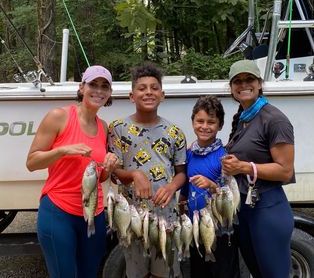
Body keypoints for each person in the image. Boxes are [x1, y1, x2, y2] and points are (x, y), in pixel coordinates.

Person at [26, 65, 119, 278]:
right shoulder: (59, 116)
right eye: (93, 84)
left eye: (104, 86)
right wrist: (63, 150)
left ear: (110, 93)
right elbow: (31, 162)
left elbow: (100, 177)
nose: (99, 90)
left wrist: (107, 167)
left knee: (89, 274)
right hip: (58, 211)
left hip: (92, 214)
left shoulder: (103, 126)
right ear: (81, 87)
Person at [107, 62, 187, 278]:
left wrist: (171, 187)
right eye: (142, 88)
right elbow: (115, 173)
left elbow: (182, 172)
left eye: (154, 88)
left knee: (166, 271)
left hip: (167, 217)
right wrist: (134, 174)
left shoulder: (174, 132)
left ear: (163, 95)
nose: (149, 92)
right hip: (131, 217)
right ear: (132, 96)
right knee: (136, 272)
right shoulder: (117, 128)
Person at [221, 59, 295, 278]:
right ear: (231, 88)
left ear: (260, 83)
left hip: (268, 209)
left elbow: (285, 170)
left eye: (249, 79)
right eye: (237, 81)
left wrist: (243, 167)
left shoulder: (274, 119)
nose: (244, 84)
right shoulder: (242, 118)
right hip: (246, 209)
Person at [179, 95, 240, 278]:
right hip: (196, 225)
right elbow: (185, 186)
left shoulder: (224, 156)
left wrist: (212, 185)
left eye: (211, 122)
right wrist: (182, 205)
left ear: (220, 126)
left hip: (220, 227)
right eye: (200, 121)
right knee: (198, 272)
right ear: (192, 122)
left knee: (223, 272)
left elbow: (231, 193)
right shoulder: (189, 153)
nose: (205, 126)